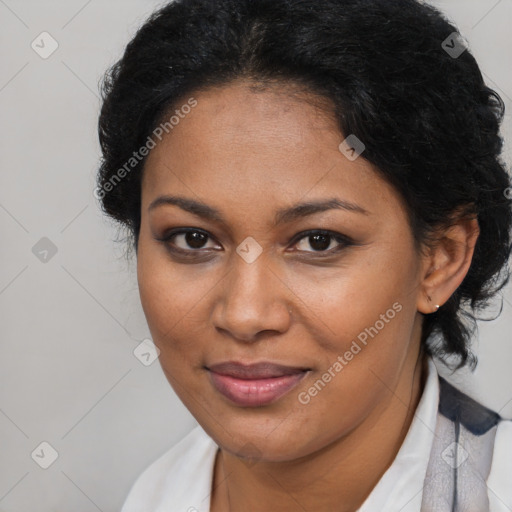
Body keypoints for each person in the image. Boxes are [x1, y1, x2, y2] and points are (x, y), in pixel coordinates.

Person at [95, 0, 512, 510]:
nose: (245, 315)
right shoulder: (153, 496)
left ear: (440, 259)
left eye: (319, 241)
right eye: (194, 238)